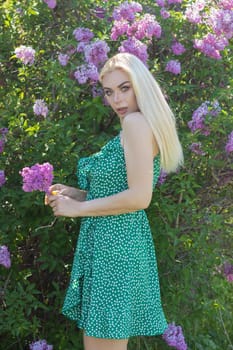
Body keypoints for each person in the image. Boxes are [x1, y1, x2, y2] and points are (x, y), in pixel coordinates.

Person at [46, 52, 183, 350]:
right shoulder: (137, 124)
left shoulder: (136, 123)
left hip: (116, 250)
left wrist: (79, 209)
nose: (117, 100)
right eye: (109, 92)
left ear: (140, 86)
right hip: (114, 244)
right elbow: (121, 191)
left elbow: (139, 197)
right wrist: (76, 194)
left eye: (125, 88)